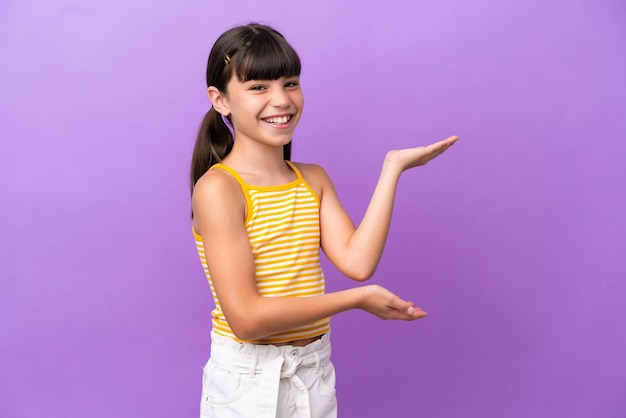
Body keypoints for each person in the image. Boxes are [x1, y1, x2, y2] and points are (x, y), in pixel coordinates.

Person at [190, 23, 458, 418]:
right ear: (221, 100)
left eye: (290, 83)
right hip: (248, 381)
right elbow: (246, 320)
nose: (281, 100)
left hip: (312, 370)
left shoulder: (311, 179)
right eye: (258, 87)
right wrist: (357, 300)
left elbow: (358, 261)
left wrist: (392, 168)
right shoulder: (219, 189)